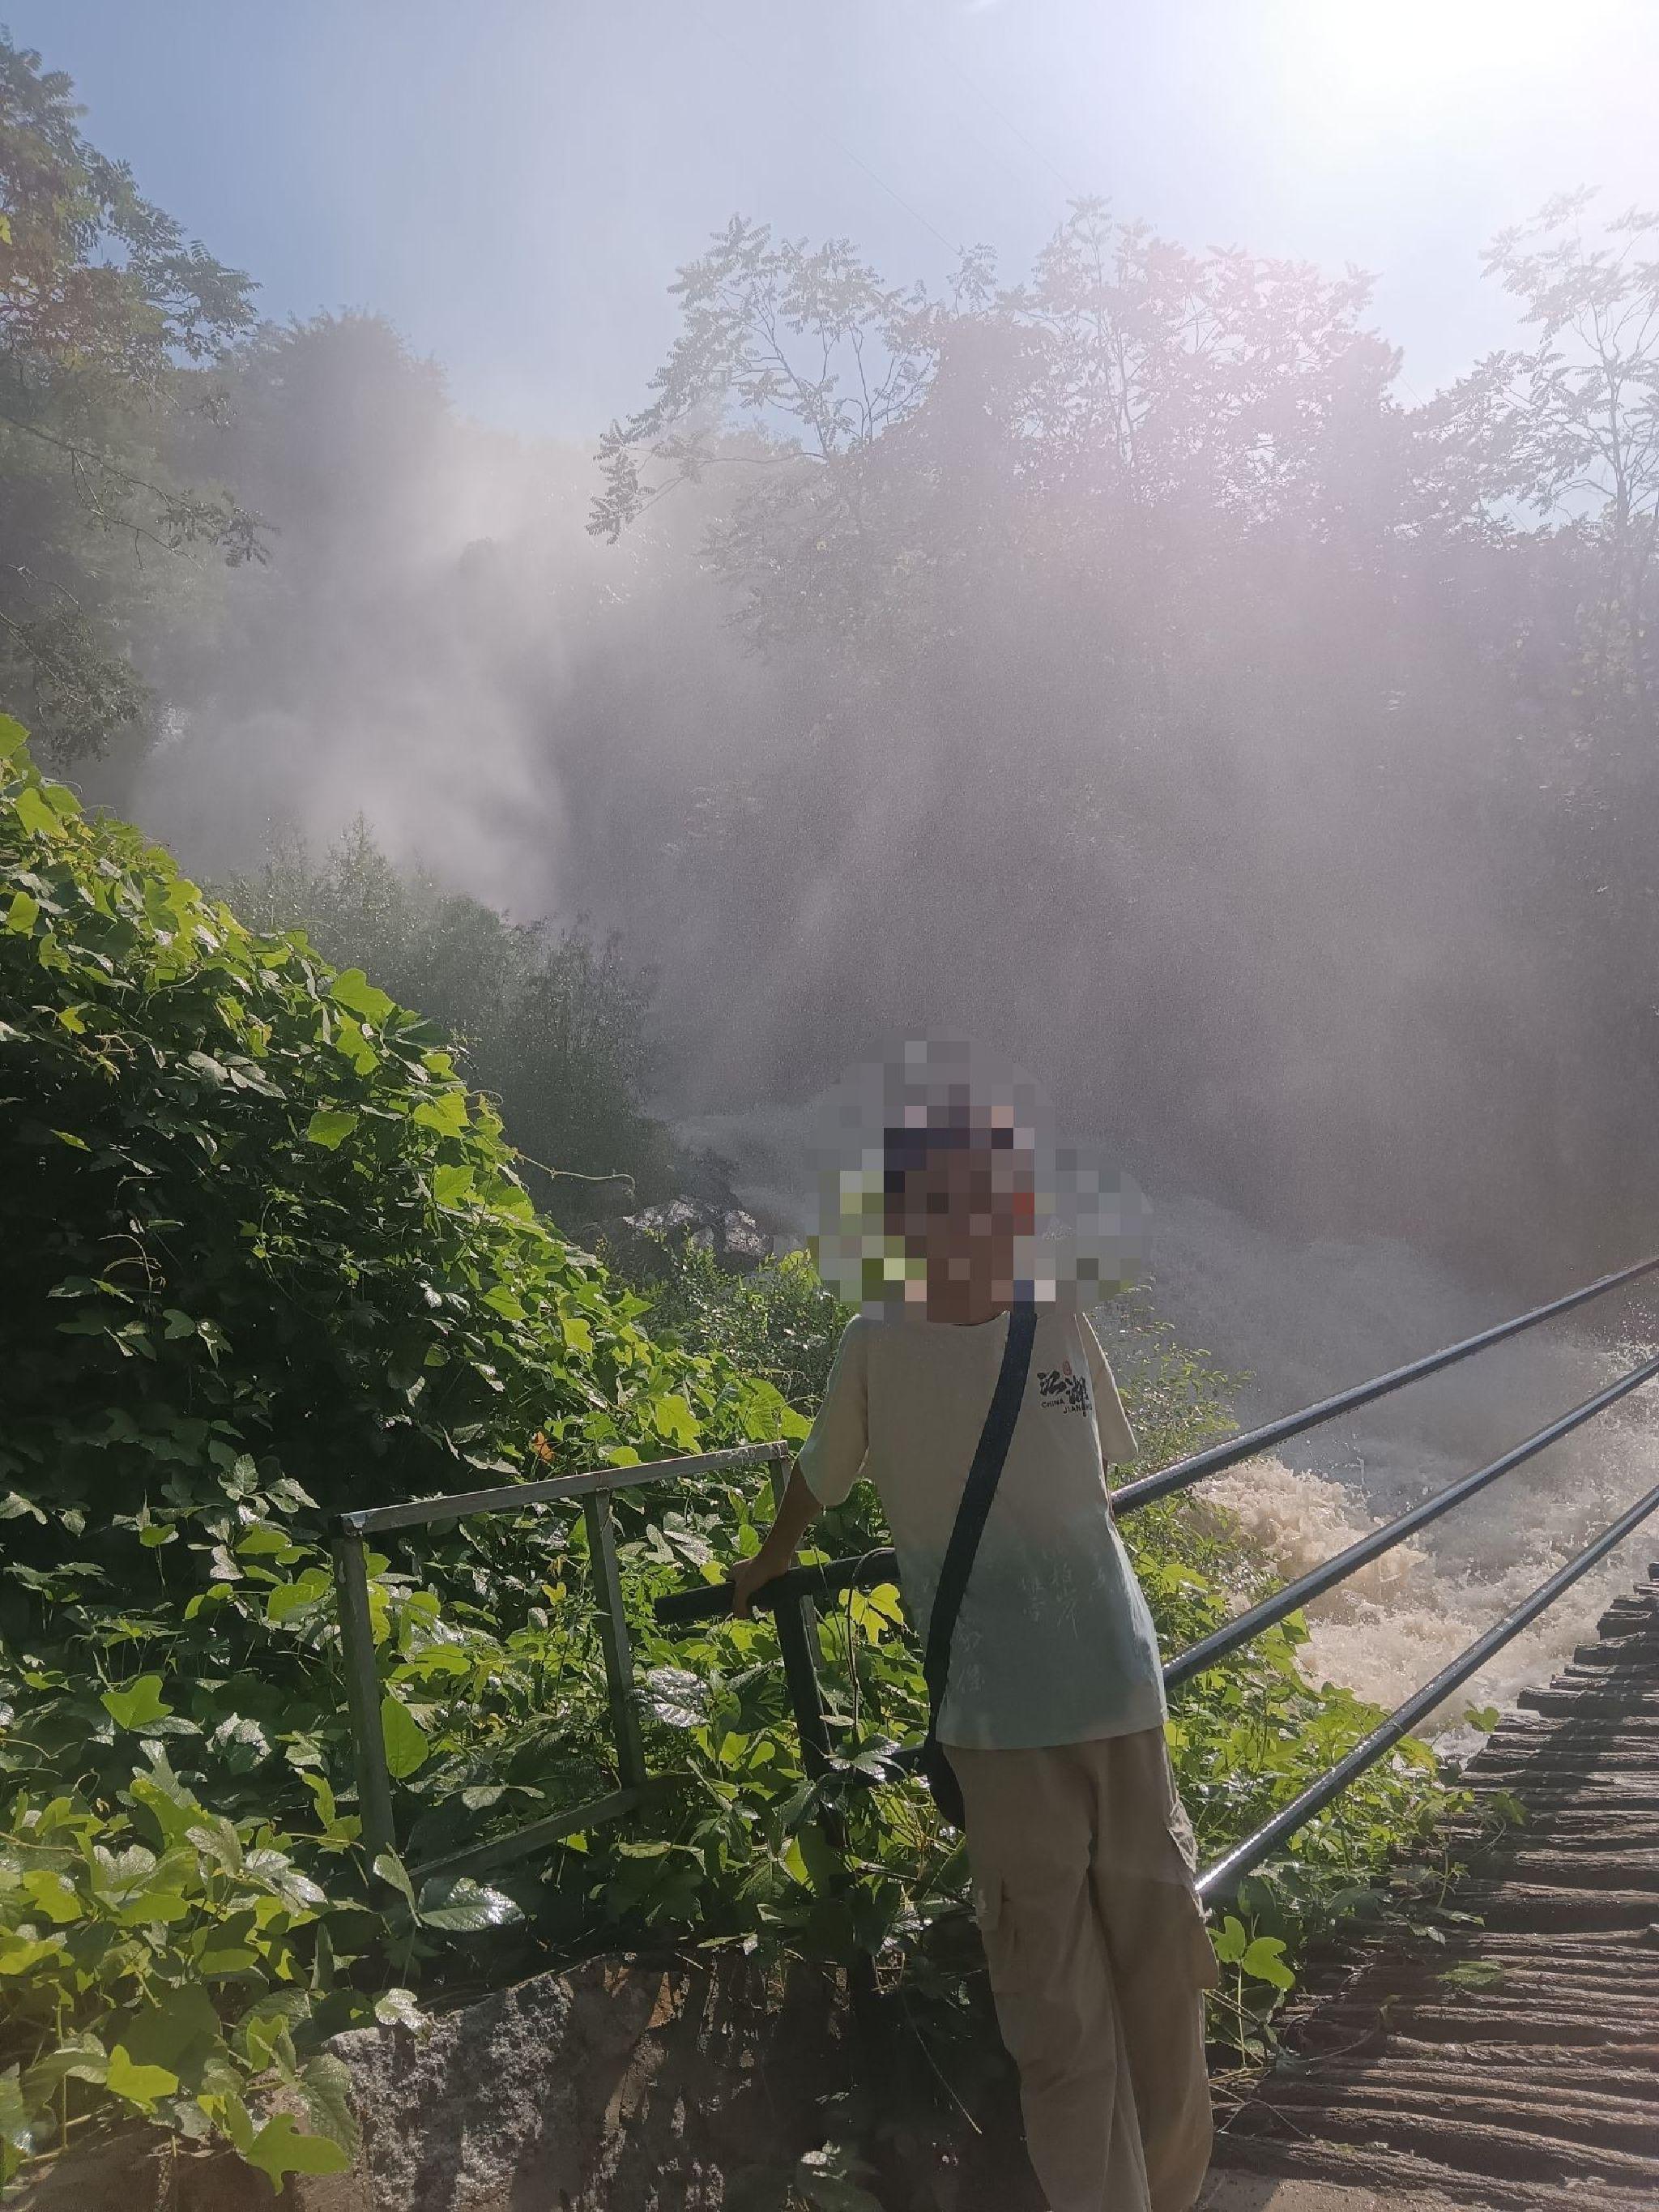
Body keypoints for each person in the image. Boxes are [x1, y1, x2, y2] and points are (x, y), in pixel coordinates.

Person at [731, 1105, 1218, 2212]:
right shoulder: (886, 1340)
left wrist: (773, 1554)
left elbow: (1078, 1483)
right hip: (1012, 1717)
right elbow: (829, 1474)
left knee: (1134, 1990)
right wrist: (773, 1555)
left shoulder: (1044, 1317)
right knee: (1087, 2003)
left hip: (1100, 1697)